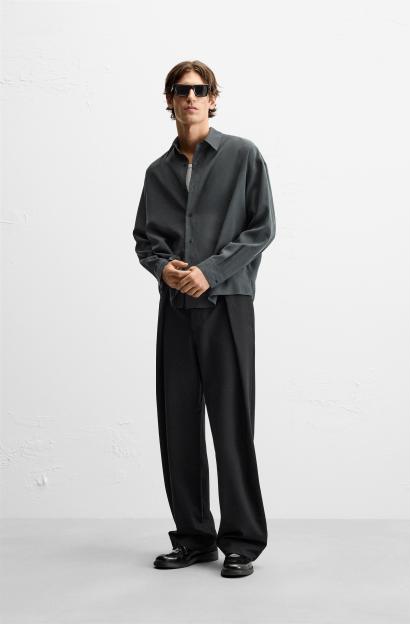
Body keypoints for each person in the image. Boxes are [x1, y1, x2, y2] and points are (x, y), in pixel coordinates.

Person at [132, 60, 276, 578]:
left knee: (231, 423)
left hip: (227, 304)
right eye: (180, 90)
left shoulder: (242, 156)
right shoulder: (157, 173)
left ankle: (242, 541)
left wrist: (209, 272)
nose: (190, 97)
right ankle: (194, 538)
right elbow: (145, 240)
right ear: (169, 100)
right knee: (178, 424)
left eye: (199, 89)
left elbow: (261, 228)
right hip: (176, 309)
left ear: (213, 99)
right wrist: (165, 269)